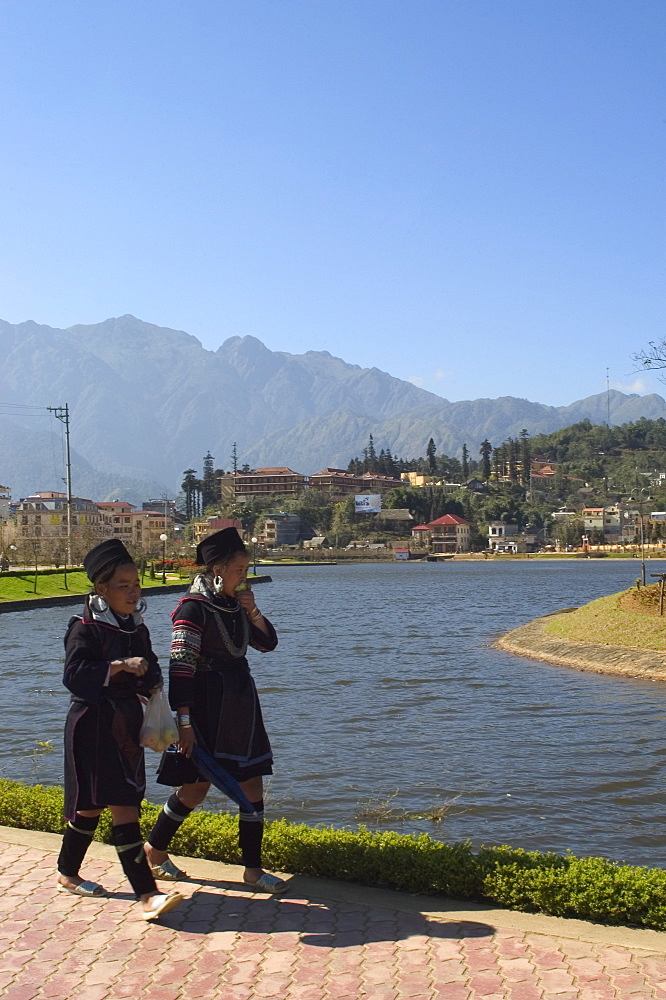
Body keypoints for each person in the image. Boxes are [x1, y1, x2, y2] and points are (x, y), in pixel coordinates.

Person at [145, 527, 285, 892]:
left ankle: (253, 870)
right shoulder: (193, 608)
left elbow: (268, 644)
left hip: (240, 708)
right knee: (194, 790)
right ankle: (154, 851)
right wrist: (185, 722)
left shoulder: (234, 605)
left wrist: (252, 609)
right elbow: (181, 666)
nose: (245, 576)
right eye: (240, 569)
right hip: (206, 711)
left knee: (251, 784)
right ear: (218, 569)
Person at [56, 539, 183, 920]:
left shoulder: (135, 627)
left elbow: (151, 665)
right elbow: (74, 677)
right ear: (101, 589)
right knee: (123, 806)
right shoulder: (84, 629)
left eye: (136, 584)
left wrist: (153, 686)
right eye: (123, 585)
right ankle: (147, 895)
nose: (132, 592)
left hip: (125, 726)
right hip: (93, 726)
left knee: (91, 807)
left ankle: (66, 872)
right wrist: (118, 666)